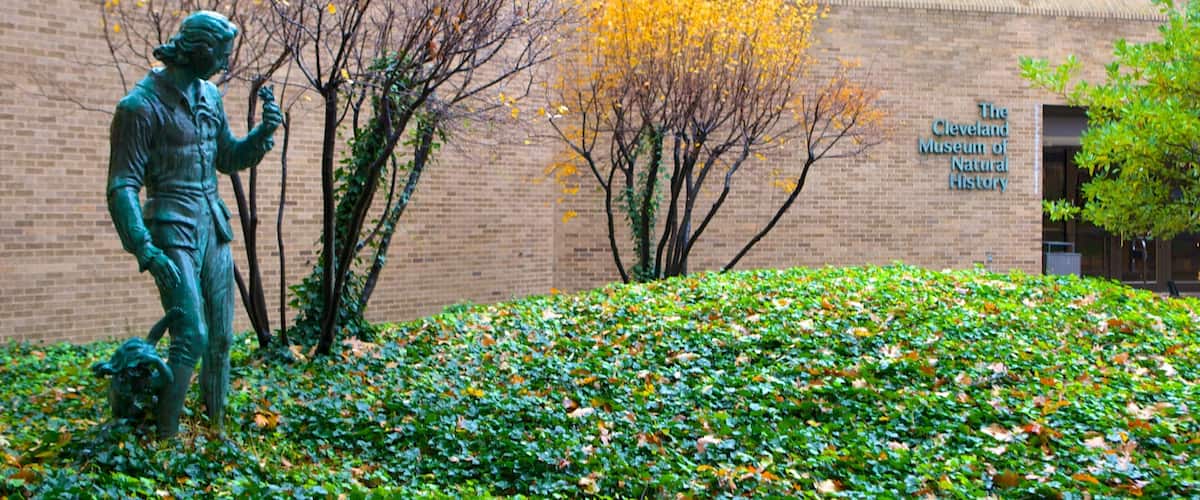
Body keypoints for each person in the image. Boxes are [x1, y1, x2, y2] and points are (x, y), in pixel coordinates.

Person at [106, 10, 281, 437]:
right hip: (170, 228)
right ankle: (166, 441)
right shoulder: (139, 106)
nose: (225, 63)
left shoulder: (210, 96)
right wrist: (144, 248)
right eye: (221, 54)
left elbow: (226, 158)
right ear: (199, 51)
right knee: (192, 331)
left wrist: (260, 136)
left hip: (212, 225)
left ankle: (215, 429)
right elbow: (121, 185)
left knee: (221, 336)